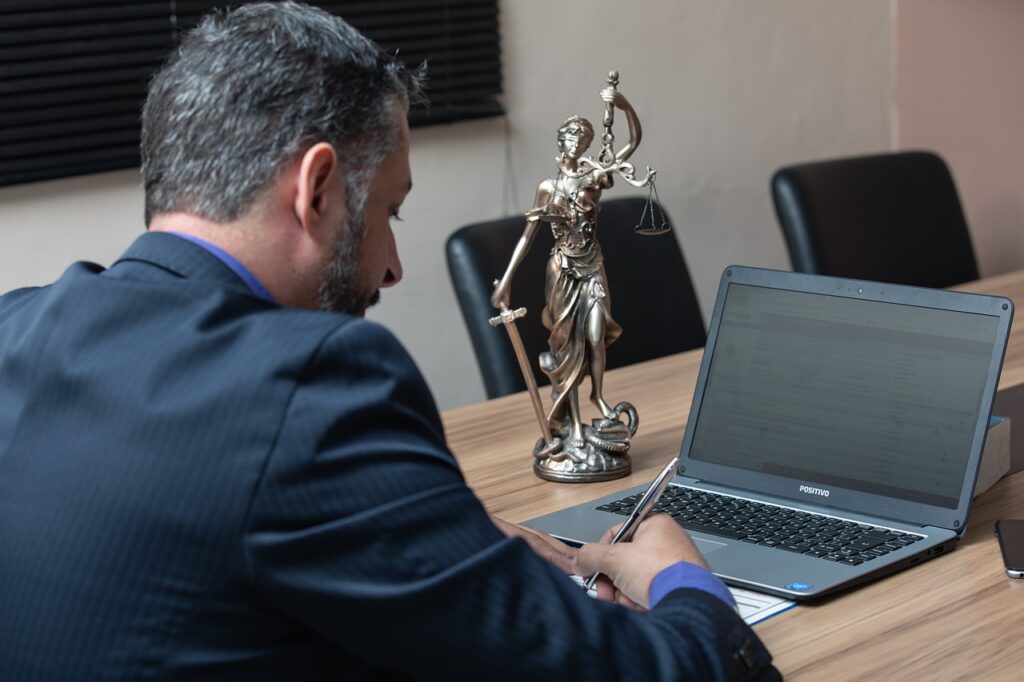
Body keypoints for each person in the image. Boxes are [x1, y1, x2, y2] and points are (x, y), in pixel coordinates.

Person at [0, 3, 779, 680]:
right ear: (316, 189)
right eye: (389, 212)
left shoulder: (15, 327)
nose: (393, 266)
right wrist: (684, 581)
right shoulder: (314, 390)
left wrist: (424, 535)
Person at [490, 92, 642, 469]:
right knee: (568, 349)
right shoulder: (548, 187)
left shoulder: (594, 178)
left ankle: (598, 396)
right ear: (561, 141)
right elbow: (527, 236)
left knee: (595, 334)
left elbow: (633, 142)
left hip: (592, 265)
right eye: (572, 136)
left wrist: (622, 104)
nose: (577, 142)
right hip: (562, 271)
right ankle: (572, 426)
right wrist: (506, 281)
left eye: (583, 138)